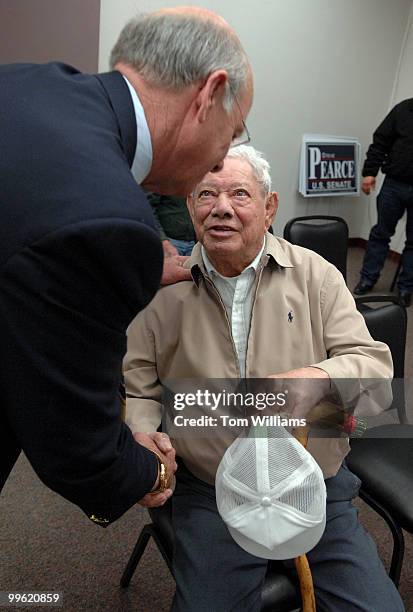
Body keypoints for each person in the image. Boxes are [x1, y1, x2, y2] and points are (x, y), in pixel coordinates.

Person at [0, 7, 253, 526]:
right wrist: (149, 472)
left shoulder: (30, 82)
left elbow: (366, 396)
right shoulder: (108, 226)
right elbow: (77, 441)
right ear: (208, 95)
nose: (220, 163)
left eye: (243, 192)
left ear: (271, 208)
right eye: (232, 134)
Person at [124, 146, 404, 611]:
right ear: (191, 206)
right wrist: (142, 431)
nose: (221, 207)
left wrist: (319, 377)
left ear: (270, 206)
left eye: (239, 193)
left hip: (310, 481)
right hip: (212, 489)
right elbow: (141, 383)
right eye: (206, 194)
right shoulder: (164, 289)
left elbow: (374, 368)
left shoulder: (316, 275)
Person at [354, 98, 413, 307]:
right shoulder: (403, 110)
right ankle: (367, 279)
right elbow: (380, 142)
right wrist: (370, 172)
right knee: (381, 234)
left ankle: (406, 288)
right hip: (394, 184)